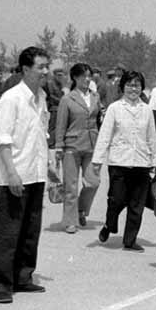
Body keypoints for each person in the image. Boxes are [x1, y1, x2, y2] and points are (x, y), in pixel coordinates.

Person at [0, 47, 51, 304]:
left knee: (30, 231)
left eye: (47, 66)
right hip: (14, 176)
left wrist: (50, 166)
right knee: (7, 233)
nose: (45, 71)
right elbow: (2, 139)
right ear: (26, 69)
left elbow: (39, 134)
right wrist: (11, 173)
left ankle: (22, 277)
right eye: (41, 67)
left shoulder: (41, 97)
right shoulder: (11, 98)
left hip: (35, 174)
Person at [92, 70, 156, 250]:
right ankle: (109, 224)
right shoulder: (114, 108)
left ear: (142, 88)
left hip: (141, 162)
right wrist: (97, 161)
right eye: (129, 85)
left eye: (137, 85)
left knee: (137, 204)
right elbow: (105, 135)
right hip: (119, 162)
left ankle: (130, 239)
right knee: (117, 200)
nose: (133, 89)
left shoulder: (147, 110)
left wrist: (153, 162)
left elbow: (151, 137)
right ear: (122, 87)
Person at [54, 63, 101, 234]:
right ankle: (70, 221)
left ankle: (81, 210)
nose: (87, 79)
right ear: (75, 78)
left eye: (89, 76)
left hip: (91, 145)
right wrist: (59, 146)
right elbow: (60, 125)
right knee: (71, 186)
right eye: (83, 76)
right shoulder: (68, 99)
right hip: (72, 146)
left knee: (93, 182)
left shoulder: (95, 97)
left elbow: (99, 120)